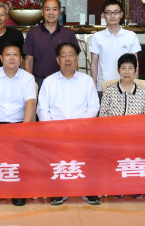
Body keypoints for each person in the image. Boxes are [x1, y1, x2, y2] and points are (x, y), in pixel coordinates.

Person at [38, 42, 101, 206]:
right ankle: (59, 190)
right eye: (63, 55)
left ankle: (89, 190)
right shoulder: (49, 82)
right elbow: (42, 109)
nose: (67, 59)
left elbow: (94, 106)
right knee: (56, 158)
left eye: (71, 55)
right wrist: (51, 128)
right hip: (55, 130)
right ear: (57, 60)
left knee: (89, 153)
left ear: (77, 59)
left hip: (82, 130)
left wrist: (81, 125)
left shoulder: (87, 81)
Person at [0, 41, 37, 207]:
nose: (12, 58)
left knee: (19, 158)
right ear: (1, 58)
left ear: (21, 59)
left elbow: (30, 104)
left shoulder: (28, 78)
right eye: (8, 55)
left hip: (19, 124)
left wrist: (24, 129)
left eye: (15, 55)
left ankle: (18, 191)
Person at [98, 52, 145, 200]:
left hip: (137, 136)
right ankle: (117, 184)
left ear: (135, 70)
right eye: (123, 68)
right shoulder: (109, 91)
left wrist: (137, 131)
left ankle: (136, 184)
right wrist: (114, 130)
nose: (127, 72)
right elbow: (103, 116)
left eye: (130, 68)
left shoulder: (143, 92)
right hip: (114, 135)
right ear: (118, 70)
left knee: (138, 150)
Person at [23, 0, 80, 91]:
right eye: (47, 9)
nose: (51, 13)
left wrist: (74, 81)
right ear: (42, 11)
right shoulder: (33, 33)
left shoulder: (68, 33)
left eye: (54, 9)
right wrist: (29, 83)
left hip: (63, 81)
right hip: (39, 81)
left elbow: (74, 60)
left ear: (59, 12)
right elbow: (29, 61)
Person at [90, 0, 141, 98]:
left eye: (116, 12)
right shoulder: (97, 37)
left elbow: (135, 63)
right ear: (103, 15)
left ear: (121, 14)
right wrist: (94, 85)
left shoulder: (131, 36)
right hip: (103, 86)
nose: (112, 16)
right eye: (109, 13)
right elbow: (94, 63)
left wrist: (135, 84)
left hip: (126, 86)